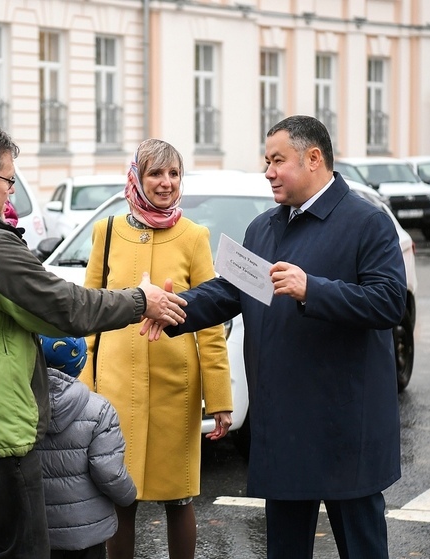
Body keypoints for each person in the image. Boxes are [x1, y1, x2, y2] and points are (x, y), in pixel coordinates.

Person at [0, 120, 187, 558]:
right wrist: (142, 300)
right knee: (20, 549)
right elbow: (65, 309)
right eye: (8, 180)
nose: (11, 191)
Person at [155, 115, 406, 559]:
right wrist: (171, 309)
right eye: (266, 161)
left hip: (347, 430)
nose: (268, 171)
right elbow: (228, 291)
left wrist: (314, 289)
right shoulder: (263, 228)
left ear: (314, 159)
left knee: (362, 547)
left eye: (277, 161)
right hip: (285, 429)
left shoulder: (367, 223)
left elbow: (388, 303)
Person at [79, 138, 233, 559]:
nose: (166, 183)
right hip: (112, 387)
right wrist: (82, 386)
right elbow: (88, 314)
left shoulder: (194, 236)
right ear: (136, 177)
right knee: (119, 498)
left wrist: (219, 398)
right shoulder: (105, 232)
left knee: (179, 498)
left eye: (174, 173)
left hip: (176, 388)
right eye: (155, 173)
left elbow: (211, 324)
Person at [35, 335, 136, 559]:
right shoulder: (99, 409)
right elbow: (108, 471)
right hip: (87, 531)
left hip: (36, 528)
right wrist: (129, 495)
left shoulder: (20, 405)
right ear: (80, 363)